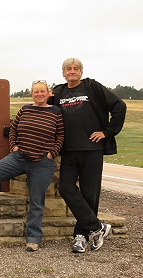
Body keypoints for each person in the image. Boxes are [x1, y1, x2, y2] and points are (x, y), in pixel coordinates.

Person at [0, 80, 64, 251]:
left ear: (49, 93)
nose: (39, 94)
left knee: (36, 201)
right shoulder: (25, 109)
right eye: (36, 92)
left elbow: (60, 136)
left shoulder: (55, 112)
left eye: (42, 91)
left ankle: (33, 238)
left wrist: (52, 153)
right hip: (19, 157)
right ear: (32, 94)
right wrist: (14, 146)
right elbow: (13, 130)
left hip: (42, 162)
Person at [49, 58, 127, 253]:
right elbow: (42, 108)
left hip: (92, 150)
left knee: (90, 194)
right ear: (63, 73)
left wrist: (107, 132)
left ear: (81, 72)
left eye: (76, 69)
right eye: (69, 68)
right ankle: (98, 227)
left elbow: (119, 106)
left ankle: (81, 237)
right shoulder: (58, 92)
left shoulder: (92, 87)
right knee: (66, 188)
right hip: (69, 150)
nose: (72, 71)